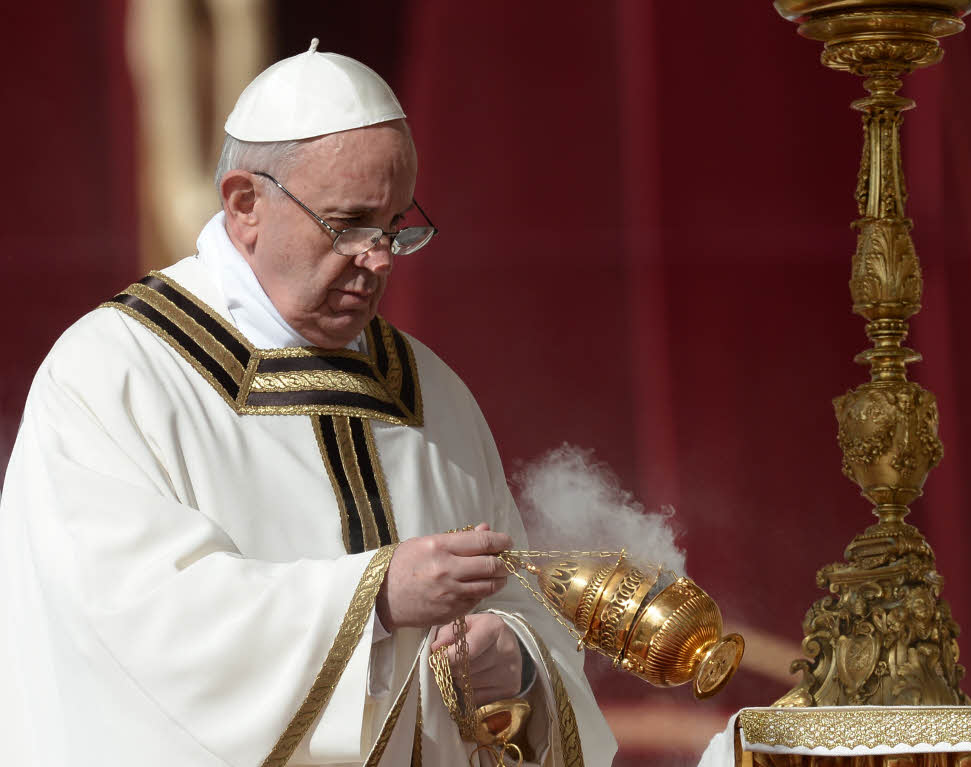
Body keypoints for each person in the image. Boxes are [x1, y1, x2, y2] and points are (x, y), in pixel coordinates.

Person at [0, 40, 616, 766]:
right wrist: (375, 597)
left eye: (396, 227)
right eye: (349, 224)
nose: (379, 259)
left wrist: (512, 661)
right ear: (244, 205)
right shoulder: (114, 376)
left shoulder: (432, 394)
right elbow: (132, 628)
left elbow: (518, 604)